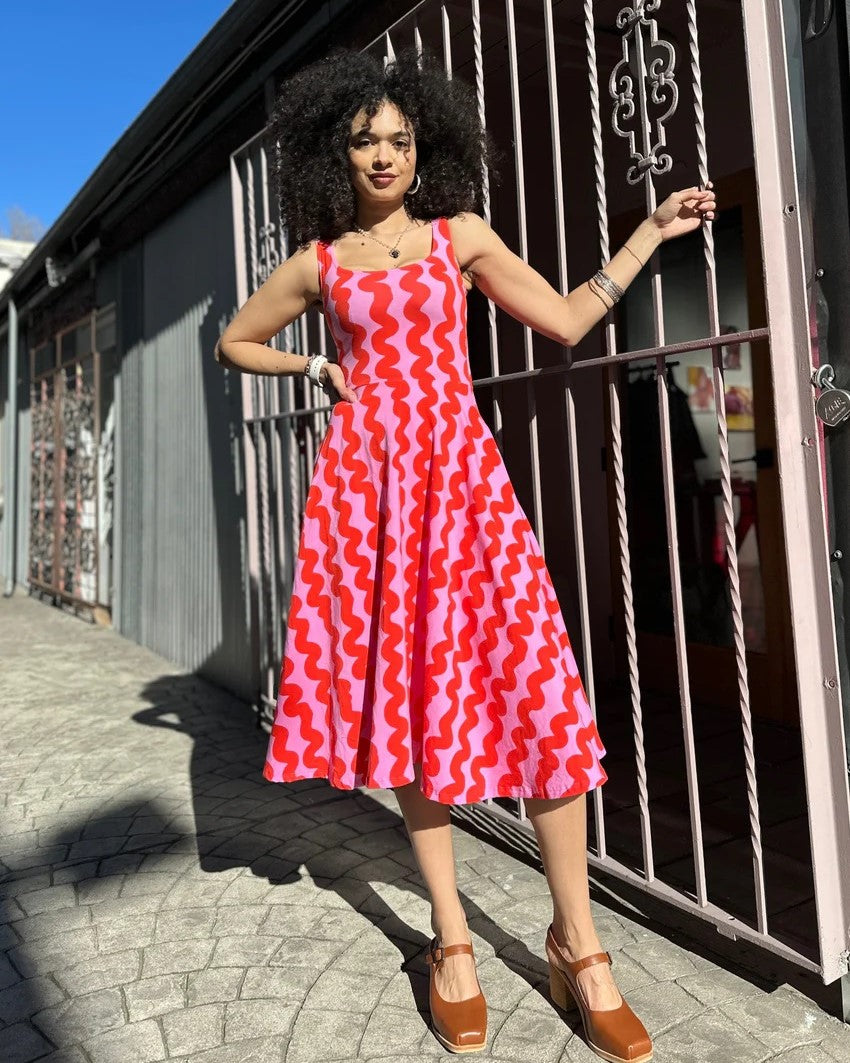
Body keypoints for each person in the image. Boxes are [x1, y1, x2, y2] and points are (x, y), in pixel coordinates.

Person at [215, 46, 716, 1063]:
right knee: (407, 710)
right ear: (335, 153)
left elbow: (569, 320)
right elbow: (233, 340)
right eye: (366, 141)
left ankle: (578, 943)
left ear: (425, 144)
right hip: (372, 503)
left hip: (467, 494)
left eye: (400, 139)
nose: (385, 155)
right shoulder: (320, 262)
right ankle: (451, 940)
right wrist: (315, 361)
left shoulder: (461, 237)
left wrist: (648, 233)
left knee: (540, 697)